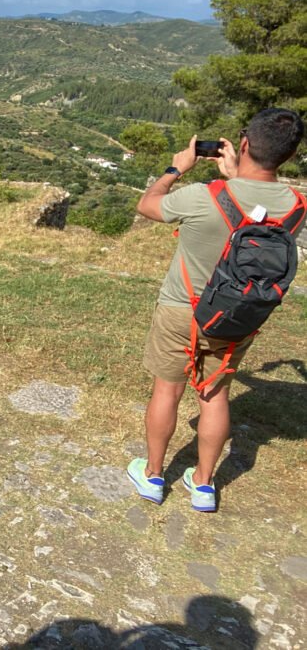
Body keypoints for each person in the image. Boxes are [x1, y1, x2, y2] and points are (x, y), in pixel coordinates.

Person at [127, 107, 305, 512]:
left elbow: (148, 204)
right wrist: (238, 177)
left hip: (182, 310)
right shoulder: (296, 207)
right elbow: (252, 214)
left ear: (243, 144)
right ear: (290, 156)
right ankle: (204, 485)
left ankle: (154, 476)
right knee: (215, 395)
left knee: (167, 390)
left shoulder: (202, 196)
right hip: (235, 318)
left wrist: (176, 168)